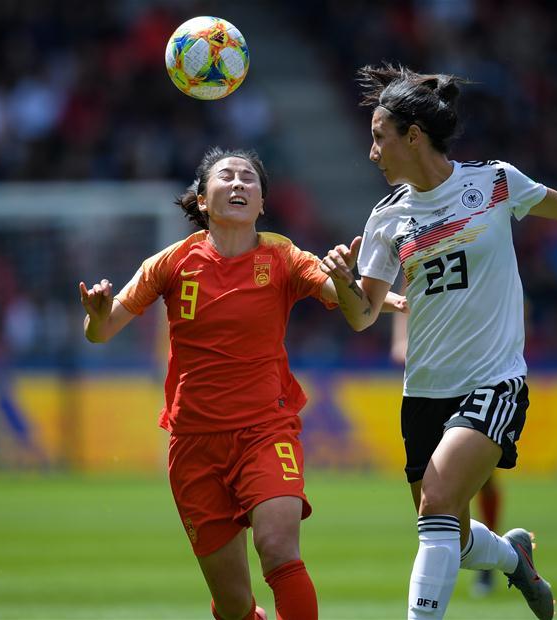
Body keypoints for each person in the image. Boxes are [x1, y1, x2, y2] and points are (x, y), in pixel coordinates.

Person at [320, 64, 557, 620]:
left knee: (438, 507)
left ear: (413, 136)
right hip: (423, 392)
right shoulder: (386, 218)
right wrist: (346, 284)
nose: (372, 152)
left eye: (379, 137)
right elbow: (364, 315)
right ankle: (514, 556)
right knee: (451, 533)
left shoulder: (492, 181)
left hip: (493, 381)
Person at [79, 147, 406, 620]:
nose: (238, 184)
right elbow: (103, 331)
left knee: (278, 549)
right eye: (226, 177)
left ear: (262, 203)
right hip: (194, 445)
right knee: (234, 604)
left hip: (264, 431)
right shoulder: (171, 263)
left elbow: (358, 312)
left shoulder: (284, 256)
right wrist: (94, 317)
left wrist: (348, 280)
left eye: (249, 179)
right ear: (203, 201)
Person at [391, 306, 503, 598]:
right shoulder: (414, 267)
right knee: (436, 515)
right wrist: (403, 343)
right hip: (428, 385)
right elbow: (403, 314)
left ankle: (487, 568)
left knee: (473, 484)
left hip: (474, 379)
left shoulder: (485, 272)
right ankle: (508, 555)